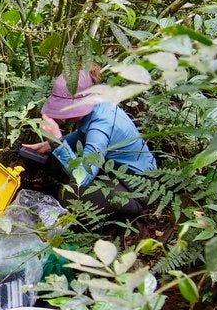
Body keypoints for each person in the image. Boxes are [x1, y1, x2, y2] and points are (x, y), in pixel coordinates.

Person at [22, 68, 157, 217]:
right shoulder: (99, 105)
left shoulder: (101, 127)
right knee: (55, 159)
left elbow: (82, 178)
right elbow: (82, 134)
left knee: (70, 195)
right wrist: (50, 145)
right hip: (115, 172)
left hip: (138, 190)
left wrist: (57, 142)